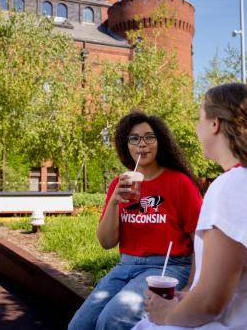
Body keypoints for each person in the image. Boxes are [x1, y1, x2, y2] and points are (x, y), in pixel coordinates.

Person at [134, 83, 247, 329]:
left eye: (199, 118)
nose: (196, 128)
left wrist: (166, 314)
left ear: (215, 124)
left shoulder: (234, 186)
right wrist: (185, 299)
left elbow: (210, 302)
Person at [68, 111, 203, 330]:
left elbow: (200, 237)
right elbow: (106, 242)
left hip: (169, 266)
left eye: (149, 137)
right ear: (126, 145)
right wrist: (114, 201)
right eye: (134, 138)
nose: (143, 144)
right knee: (80, 325)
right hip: (126, 266)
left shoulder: (179, 183)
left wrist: (191, 285)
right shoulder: (118, 184)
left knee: (112, 321)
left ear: (160, 142)